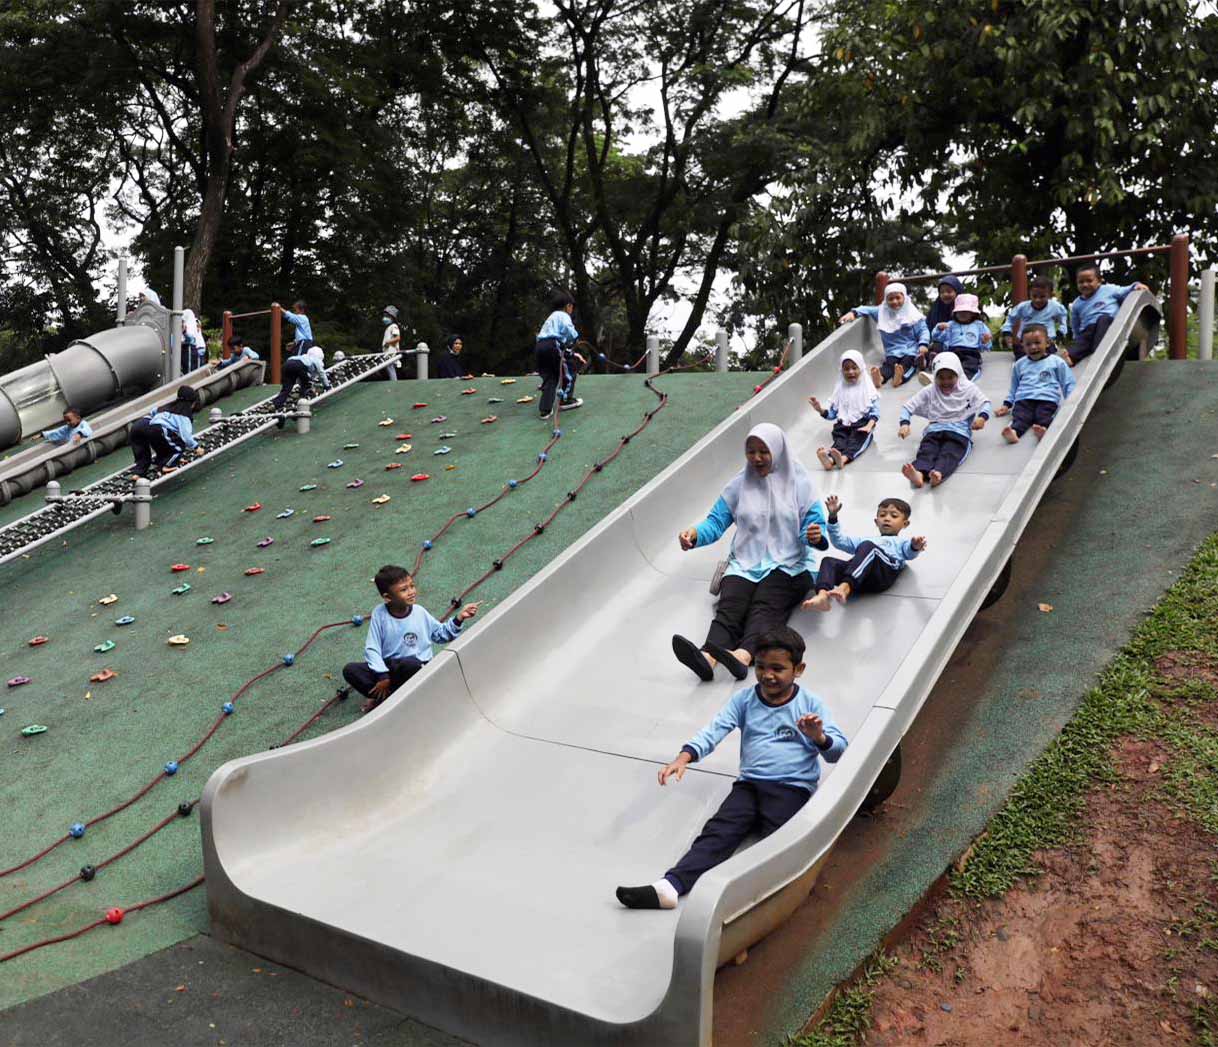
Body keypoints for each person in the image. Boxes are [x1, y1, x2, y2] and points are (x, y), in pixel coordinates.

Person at [615, 627, 847, 910]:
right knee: (718, 832)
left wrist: (818, 737)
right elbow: (715, 729)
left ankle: (763, 897)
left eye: (777, 668)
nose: (767, 675)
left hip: (790, 788)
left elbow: (839, 751)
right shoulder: (745, 700)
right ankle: (670, 886)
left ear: (798, 669)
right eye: (760, 666)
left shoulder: (810, 704)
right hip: (749, 786)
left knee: (779, 842)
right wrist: (684, 757)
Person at [671, 423, 828, 683]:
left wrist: (815, 536)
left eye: (764, 451)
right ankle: (707, 657)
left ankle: (743, 656)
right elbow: (716, 522)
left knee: (765, 605)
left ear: (777, 451)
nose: (756, 458)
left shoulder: (800, 483)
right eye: (751, 451)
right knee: (731, 604)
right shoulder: (739, 484)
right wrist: (694, 534)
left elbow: (815, 526)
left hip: (791, 564)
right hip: (746, 561)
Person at [342, 565, 481, 713]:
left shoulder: (419, 612)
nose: (411, 592)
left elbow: (441, 634)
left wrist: (459, 618)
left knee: (411, 664)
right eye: (404, 590)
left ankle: (394, 698)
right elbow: (372, 648)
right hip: (391, 668)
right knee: (350, 670)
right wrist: (382, 675)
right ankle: (387, 697)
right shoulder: (379, 614)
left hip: (417, 666)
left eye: (412, 586)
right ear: (387, 597)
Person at [802, 495, 925, 612]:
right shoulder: (866, 541)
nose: (887, 518)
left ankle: (844, 587)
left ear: (905, 524)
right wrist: (833, 517)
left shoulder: (901, 542)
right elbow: (840, 541)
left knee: (870, 547)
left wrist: (915, 546)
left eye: (894, 516)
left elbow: (909, 552)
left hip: (882, 575)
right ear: (876, 522)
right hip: (861, 578)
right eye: (882, 515)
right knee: (829, 561)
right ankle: (822, 596)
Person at [898, 352, 991, 489]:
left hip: (959, 433)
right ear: (935, 376)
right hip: (934, 430)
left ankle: (938, 473)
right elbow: (908, 406)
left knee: (951, 453)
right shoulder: (930, 390)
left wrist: (982, 417)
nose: (946, 382)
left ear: (958, 374)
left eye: (950, 377)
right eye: (941, 377)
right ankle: (919, 473)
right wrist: (904, 424)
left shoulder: (968, 388)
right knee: (927, 450)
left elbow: (985, 402)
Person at [996, 324, 1076, 443]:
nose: (1033, 347)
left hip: (1047, 398)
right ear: (1023, 346)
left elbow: (1068, 382)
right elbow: (1014, 387)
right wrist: (1007, 404)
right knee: (1020, 416)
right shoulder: (1019, 364)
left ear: (1047, 343)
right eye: (1028, 344)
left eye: (1037, 343)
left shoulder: (1056, 362)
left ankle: (1043, 430)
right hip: (1024, 398)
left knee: (1043, 415)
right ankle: (1014, 432)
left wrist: (1071, 401)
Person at [839, 283, 928, 388]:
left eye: (898, 298)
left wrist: (923, 344)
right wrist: (853, 313)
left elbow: (923, 330)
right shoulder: (882, 312)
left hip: (911, 350)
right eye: (890, 299)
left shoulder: (912, 313)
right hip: (892, 351)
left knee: (908, 363)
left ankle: (900, 377)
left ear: (904, 297)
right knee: (889, 365)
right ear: (886, 300)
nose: (894, 301)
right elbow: (866, 309)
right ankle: (880, 377)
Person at [808, 349, 879, 470]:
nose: (850, 372)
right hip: (843, 425)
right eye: (846, 369)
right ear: (842, 371)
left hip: (862, 426)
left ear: (861, 368)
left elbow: (875, 412)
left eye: (854, 368)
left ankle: (844, 459)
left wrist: (869, 426)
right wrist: (820, 410)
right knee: (839, 441)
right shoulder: (840, 389)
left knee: (856, 442)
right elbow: (832, 414)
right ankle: (830, 460)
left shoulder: (868, 389)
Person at [1064, 265, 1148, 366]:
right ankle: (1071, 357)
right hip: (1089, 330)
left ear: (1099, 281)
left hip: (1109, 326)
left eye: (1089, 281)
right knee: (1083, 338)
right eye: (1081, 282)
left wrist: (1136, 286)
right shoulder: (1077, 304)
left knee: (1103, 319)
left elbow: (1125, 290)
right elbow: (1075, 325)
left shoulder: (1108, 290)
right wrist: (1077, 338)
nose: (1085, 284)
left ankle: (1099, 350)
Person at [130, 386, 202, 479]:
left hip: (139, 425)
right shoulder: (184, 416)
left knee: (144, 452)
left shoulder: (166, 406)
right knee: (178, 446)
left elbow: (153, 412)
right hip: (156, 428)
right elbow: (186, 437)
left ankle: (138, 473)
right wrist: (196, 447)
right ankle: (167, 465)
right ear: (192, 403)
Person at [535, 291, 586, 415]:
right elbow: (568, 329)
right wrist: (575, 338)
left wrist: (570, 352)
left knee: (550, 376)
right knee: (570, 370)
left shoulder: (551, 317)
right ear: (568, 306)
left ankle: (545, 410)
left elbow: (558, 343)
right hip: (552, 345)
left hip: (539, 346)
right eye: (572, 307)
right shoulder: (563, 315)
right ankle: (565, 400)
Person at [923, 293, 992, 382]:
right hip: (952, 350)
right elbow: (937, 338)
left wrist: (985, 341)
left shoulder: (979, 325)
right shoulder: (951, 324)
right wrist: (939, 329)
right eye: (960, 311)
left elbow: (985, 347)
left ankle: (964, 380)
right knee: (946, 363)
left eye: (966, 312)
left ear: (973, 313)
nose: (963, 314)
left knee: (969, 365)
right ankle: (937, 377)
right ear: (955, 312)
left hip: (971, 352)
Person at [1000, 276, 1068, 357]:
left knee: (1048, 356)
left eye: (1042, 297)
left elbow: (1063, 317)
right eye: (1034, 296)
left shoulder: (1055, 307)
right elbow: (1010, 319)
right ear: (1030, 294)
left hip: (1046, 343)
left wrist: (1061, 332)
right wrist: (1007, 333)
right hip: (1025, 343)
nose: (1037, 300)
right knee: (1022, 355)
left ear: (1050, 295)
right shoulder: (1023, 307)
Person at [271, 343, 331, 420]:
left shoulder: (304, 357)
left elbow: (301, 377)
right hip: (299, 366)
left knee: (287, 387)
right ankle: (301, 403)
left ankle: (277, 404)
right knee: (306, 384)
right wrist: (327, 386)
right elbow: (321, 373)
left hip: (287, 364)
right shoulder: (316, 360)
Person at [382, 306, 402, 381]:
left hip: (391, 353)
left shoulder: (394, 326)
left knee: (390, 368)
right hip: (387, 353)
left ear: (392, 318)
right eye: (384, 316)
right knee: (389, 369)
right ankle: (393, 381)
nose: (384, 318)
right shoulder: (388, 328)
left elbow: (397, 338)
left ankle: (394, 383)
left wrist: (388, 342)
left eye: (387, 316)